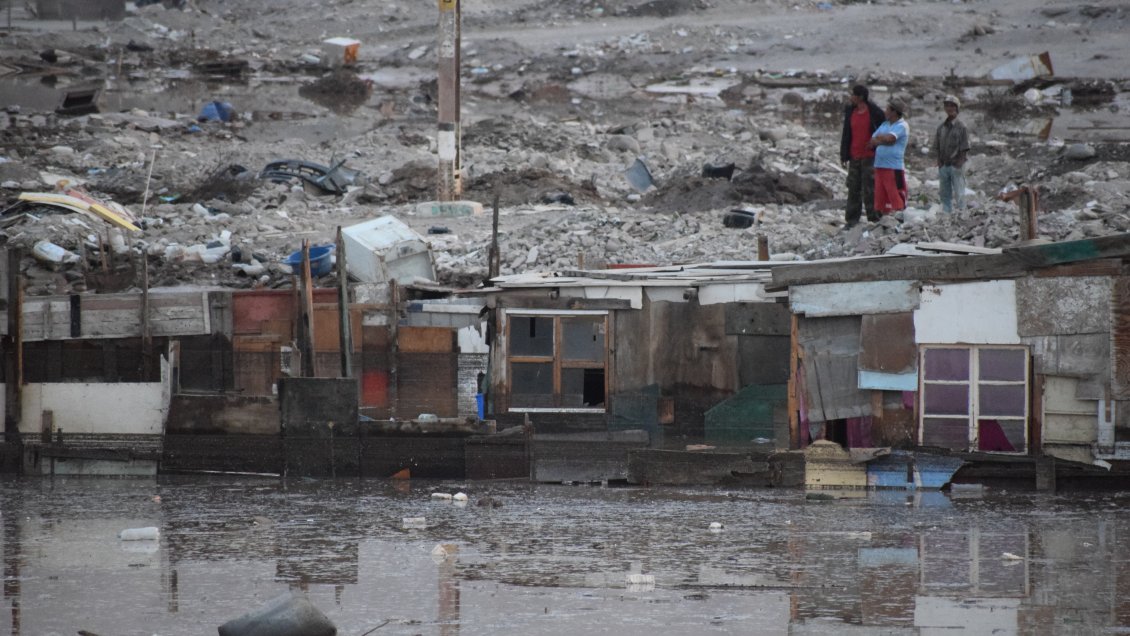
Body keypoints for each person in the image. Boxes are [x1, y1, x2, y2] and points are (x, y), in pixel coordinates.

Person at [839, 85, 885, 225]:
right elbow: (846, 134)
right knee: (853, 188)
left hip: (870, 157)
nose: (851, 97)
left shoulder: (875, 112)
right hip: (854, 155)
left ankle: (874, 217)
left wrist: (877, 144)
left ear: (860, 97)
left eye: (853, 95)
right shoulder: (850, 111)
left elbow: (883, 130)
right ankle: (852, 220)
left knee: (869, 189)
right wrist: (844, 155)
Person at [869, 98, 910, 214]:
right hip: (880, 165)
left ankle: (898, 219)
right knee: (881, 196)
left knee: (895, 194)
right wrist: (883, 139)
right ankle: (884, 218)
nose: (885, 111)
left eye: (887, 109)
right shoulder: (884, 124)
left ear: (894, 112)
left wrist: (881, 139)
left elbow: (891, 138)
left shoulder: (902, 125)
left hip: (893, 167)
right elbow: (872, 140)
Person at [934, 95, 969, 213]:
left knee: (959, 192)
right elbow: (937, 146)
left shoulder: (961, 127)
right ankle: (946, 216)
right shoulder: (941, 128)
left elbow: (965, 147)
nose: (949, 108)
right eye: (947, 105)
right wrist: (939, 162)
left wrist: (959, 163)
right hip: (944, 165)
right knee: (944, 193)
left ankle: (962, 215)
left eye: (952, 105)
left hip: (956, 165)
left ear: (957, 108)